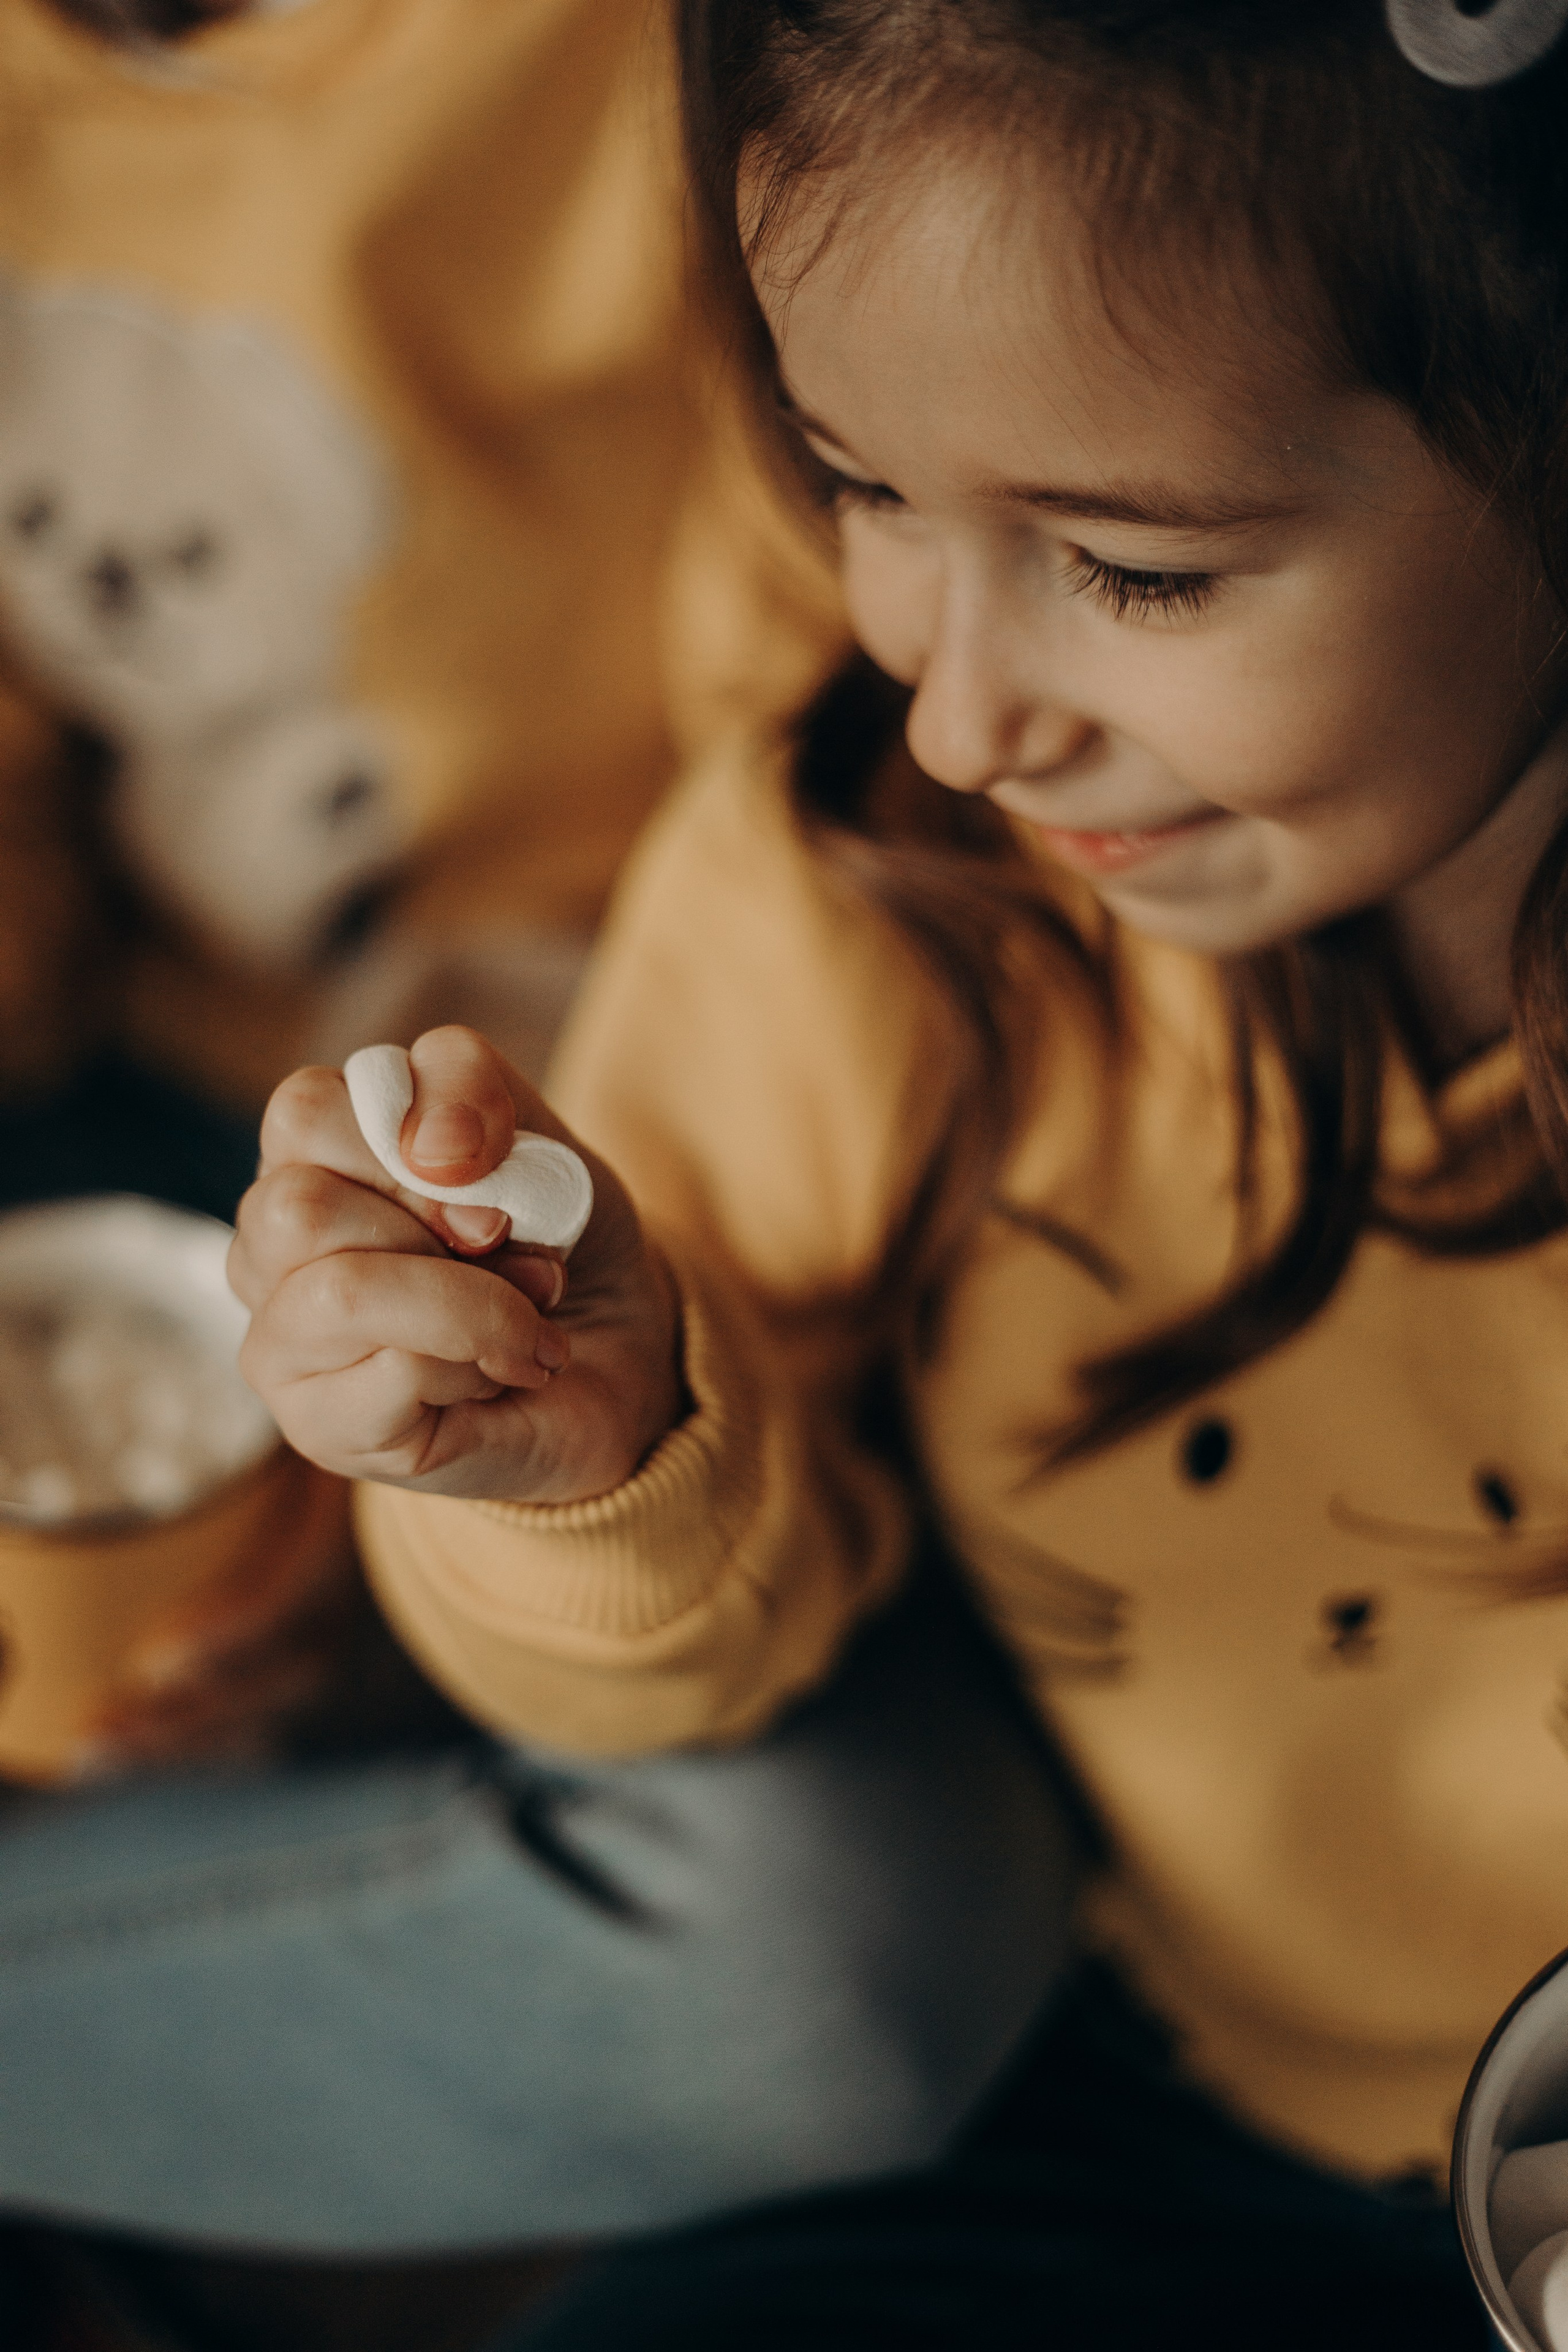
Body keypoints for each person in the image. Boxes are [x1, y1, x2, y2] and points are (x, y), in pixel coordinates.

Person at [228, 1, 1568, 2344]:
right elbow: (688, 1659)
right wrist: (584, 1462)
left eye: (1137, 574)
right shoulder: (853, 899)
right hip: (1131, 2119)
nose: (962, 716)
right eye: (859, 486)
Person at [0, 3, 1077, 2346]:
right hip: (110, 1114)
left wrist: (425, 1529)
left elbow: (854, 753)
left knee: (846, 1949)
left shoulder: (677, 66)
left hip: (637, 1163)